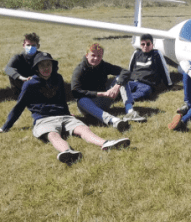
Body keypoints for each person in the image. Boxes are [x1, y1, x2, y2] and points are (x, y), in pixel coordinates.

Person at [0, 52, 130, 165]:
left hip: (64, 116)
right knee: (53, 135)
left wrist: (68, 114)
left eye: (48, 65)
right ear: (36, 68)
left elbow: (62, 100)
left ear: (53, 66)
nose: (46, 68)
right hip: (44, 119)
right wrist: (5, 127)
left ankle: (106, 143)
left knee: (83, 129)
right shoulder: (29, 84)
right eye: (42, 65)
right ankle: (67, 152)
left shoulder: (58, 78)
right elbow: (19, 106)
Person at [72, 43, 146, 132]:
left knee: (121, 79)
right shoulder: (79, 70)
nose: (96, 58)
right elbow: (75, 92)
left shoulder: (103, 65)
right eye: (93, 55)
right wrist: (102, 93)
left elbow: (125, 71)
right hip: (89, 105)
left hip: (104, 100)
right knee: (81, 100)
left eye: (99, 56)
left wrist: (116, 86)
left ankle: (130, 111)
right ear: (87, 55)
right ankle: (114, 120)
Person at [128, 34, 172, 101]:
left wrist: (169, 84)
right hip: (134, 81)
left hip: (147, 85)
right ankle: (111, 96)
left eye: (148, 44)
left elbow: (164, 70)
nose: (145, 46)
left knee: (145, 92)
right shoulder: (136, 53)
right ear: (140, 45)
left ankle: (128, 98)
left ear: (152, 44)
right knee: (119, 85)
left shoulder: (156, 54)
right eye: (143, 44)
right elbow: (130, 69)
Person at [4, 33, 42, 97]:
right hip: (21, 83)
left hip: (38, 82)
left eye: (33, 45)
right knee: (12, 74)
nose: (30, 47)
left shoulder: (42, 57)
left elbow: (53, 69)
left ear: (38, 46)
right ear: (23, 45)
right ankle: (19, 94)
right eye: (28, 45)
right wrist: (22, 78)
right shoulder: (17, 57)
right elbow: (7, 69)